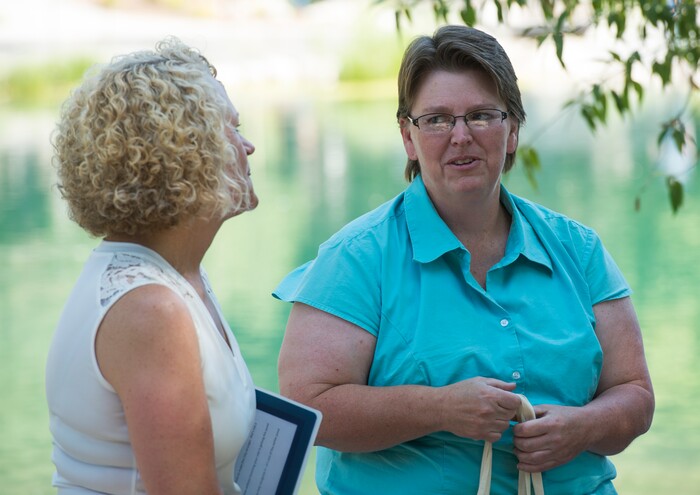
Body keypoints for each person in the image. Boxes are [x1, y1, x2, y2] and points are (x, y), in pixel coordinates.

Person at [274, 25, 654, 494]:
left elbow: (635, 396)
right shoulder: (354, 259)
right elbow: (308, 407)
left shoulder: (579, 249)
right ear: (408, 138)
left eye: (480, 115)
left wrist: (586, 426)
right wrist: (439, 409)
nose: (460, 136)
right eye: (435, 119)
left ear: (512, 130)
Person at [45, 37, 258, 495]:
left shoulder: (172, 275)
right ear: (185, 156)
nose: (249, 146)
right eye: (232, 130)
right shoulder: (150, 309)